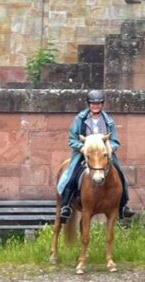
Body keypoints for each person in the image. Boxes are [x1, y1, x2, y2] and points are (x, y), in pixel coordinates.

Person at [56, 90, 135, 220]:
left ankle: (123, 206)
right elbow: (72, 139)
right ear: (89, 104)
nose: (95, 106)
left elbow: (114, 140)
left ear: (102, 104)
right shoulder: (80, 119)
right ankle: (66, 205)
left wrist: (109, 148)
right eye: (93, 104)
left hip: (103, 154)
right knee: (72, 175)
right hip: (85, 153)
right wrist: (82, 148)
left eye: (98, 104)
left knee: (120, 175)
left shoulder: (108, 120)